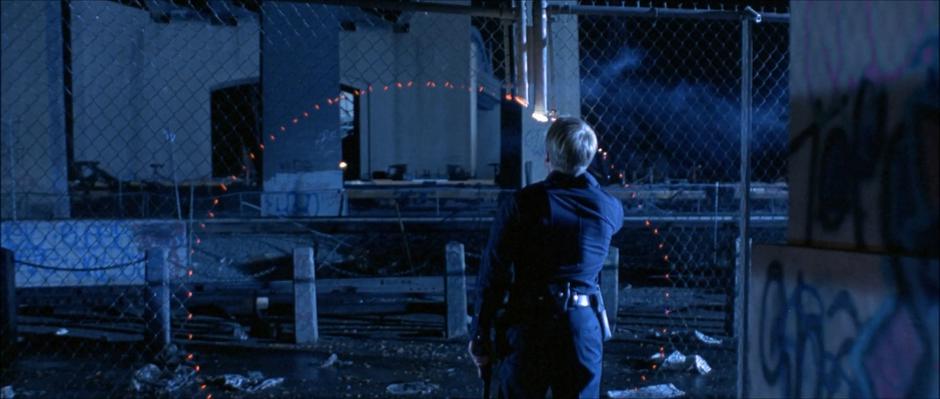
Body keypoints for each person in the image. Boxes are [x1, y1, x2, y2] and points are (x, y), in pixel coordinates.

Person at [468, 117, 624, 398]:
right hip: (582, 324)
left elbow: (494, 273)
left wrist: (480, 335)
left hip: (530, 325)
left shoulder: (522, 204)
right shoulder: (610, 208)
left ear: (549, 156)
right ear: (589, 158)